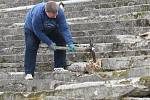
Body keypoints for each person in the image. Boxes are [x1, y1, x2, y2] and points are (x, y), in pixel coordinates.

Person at [24, 1, 75, 80]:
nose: (55, 17)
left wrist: (70, 42)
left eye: (56, 14)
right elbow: (38, 32)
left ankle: (59, 66)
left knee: (60, 40)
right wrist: (49, 43)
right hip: (32, 29)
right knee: (31, 47)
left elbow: (64, 28)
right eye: (53, 15)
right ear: (46, 11)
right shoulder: (38, 14)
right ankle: (29, 72)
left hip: (51, 27)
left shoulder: (59, 12)